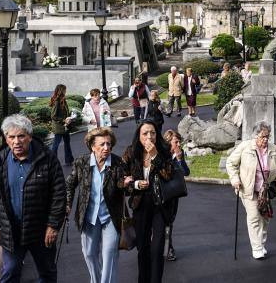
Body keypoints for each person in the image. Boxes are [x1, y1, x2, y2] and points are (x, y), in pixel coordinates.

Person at [0, 114, 66, 283]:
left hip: (41, 230)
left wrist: (53, 225)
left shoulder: (47, 158)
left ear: (29, 136)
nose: (16, 141)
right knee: (10, 272)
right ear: (6, 139)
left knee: (47, 273)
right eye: (11, 137)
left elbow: (58, 193)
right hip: (12, 231)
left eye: (21, 136)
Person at [65, 127, 126, 283]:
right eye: (102, 144)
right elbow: (70, 184)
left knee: (109, 254)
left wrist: (130, 184)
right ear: (92, 146)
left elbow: (125, 185)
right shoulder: (82, 163)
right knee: (90, 254)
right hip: (89, 217)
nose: (106, 148)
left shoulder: (118, 163)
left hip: (111, 217)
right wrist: (68, 203)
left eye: (109, 144)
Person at [121, 120, 175, 283]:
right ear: (139, 135)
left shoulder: (164, 151)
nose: (149, 136)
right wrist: (135, 184)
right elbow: (122, 179)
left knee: (157, 248)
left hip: (160, 204)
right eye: (145, 133)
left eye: (152, 132)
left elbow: (168, 175)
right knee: (142, 248)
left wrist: (154, 155)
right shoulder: (131, 152)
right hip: (140, 203)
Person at [226, 121, 276, 260]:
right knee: (254, 218)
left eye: (267, 136)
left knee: (265, 219)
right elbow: (230, 163)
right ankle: (257, 248)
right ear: (255, 136)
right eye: (262, 136)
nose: (265, 139)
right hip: (248, 190)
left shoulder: (274, 149)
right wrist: (235, 179)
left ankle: (261, 243)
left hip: (265, 192)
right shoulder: (245, 147)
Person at [162, 130, 190, 261]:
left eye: (179, 141)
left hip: (174, 194)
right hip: (162, 193)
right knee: (162, 222)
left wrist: (179, 160)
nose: (179, 144)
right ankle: (167, 248)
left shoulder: (179, 154)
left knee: (169, 222)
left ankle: (167, 247)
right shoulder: (161, 155)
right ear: (168, 143)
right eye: (176, 142)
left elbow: (186, 172)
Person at [49, 84, 74, 165]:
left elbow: (64, 112)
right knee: (55, 145)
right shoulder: (57, 101)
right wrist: (64, 120)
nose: (66, 91)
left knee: (67, 143)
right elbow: (53, 116)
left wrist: (70, 117)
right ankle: (52, 161)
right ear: (61, 90)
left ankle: (69, 160)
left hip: (65, 126)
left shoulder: (62, 100)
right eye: (65, 90)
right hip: (59, 127)